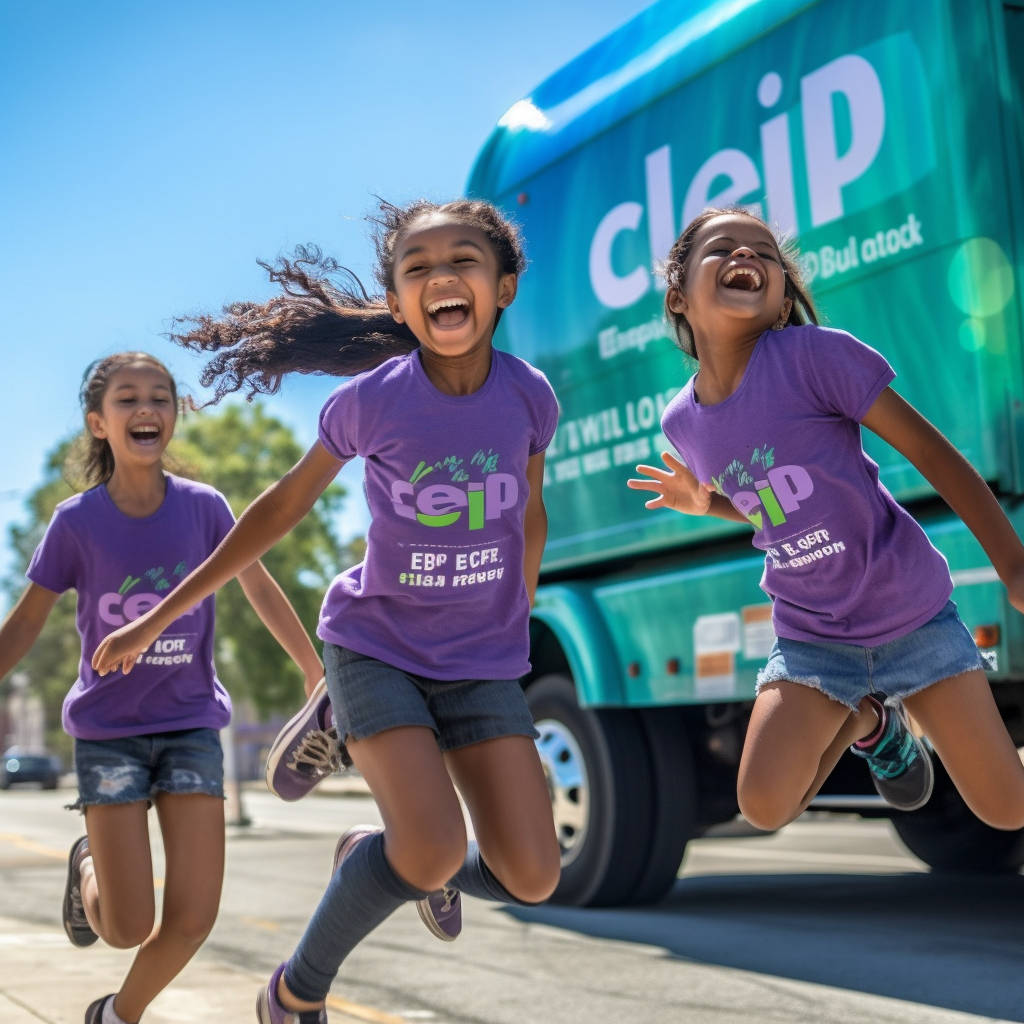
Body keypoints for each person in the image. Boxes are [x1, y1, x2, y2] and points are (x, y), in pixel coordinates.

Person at [92, 199, 562, 1024]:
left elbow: (529, 508)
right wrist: (157, 616)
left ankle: (377, 858)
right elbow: (278, 510)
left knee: (534, 873)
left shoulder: (529, 397)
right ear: (397, 302)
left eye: (464, 261)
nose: (441, 277)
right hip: (376, 645)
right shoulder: (376, 400)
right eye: (417, 267)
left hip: (482, 660)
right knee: (432, 845)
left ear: (504, 288)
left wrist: (516, 608)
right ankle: (293, 993)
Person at [628, 206, 1024, 836]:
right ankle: (873, 723)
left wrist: (1013, 564)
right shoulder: (683, 423)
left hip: (910, 613)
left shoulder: (816, 358)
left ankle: (879, 716)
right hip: (813, 634)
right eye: (723, 247)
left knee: (1008, 809)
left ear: (783, 302)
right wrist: (709, 503)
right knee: (763, 805)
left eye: (765, 253)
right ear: (679, 299)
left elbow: (930, 453)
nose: (747, 257)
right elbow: (770, 504)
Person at [0, 352, 325, 1024]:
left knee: (191, 918)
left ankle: (116, 1015)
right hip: (109, 734)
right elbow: (28, 621)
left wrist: (311, 665)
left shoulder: (204, 510)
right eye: (127, 399)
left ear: (174, 416)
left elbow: (257, 584)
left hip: (190, 727)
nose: (146, 409)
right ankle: (89, 860)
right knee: (124, 927)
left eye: (160, 397)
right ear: (99, 422)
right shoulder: (76, 522)